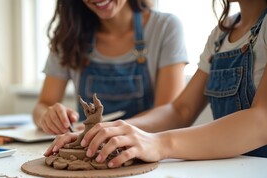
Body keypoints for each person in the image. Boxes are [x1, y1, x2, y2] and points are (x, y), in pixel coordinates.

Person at [45, 0, 267, 166]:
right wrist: (103, 132)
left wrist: (161, 144)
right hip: (231, 170)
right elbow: (181, 110)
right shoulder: (222, 32)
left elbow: (262, 120)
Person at [33, 0, 188, 134]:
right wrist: (48, 116)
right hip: (90, 152)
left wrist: (108, 130)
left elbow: (169, 116)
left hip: (147, 155)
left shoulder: (166, 27)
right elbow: (42, 105)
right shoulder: (69, 35)